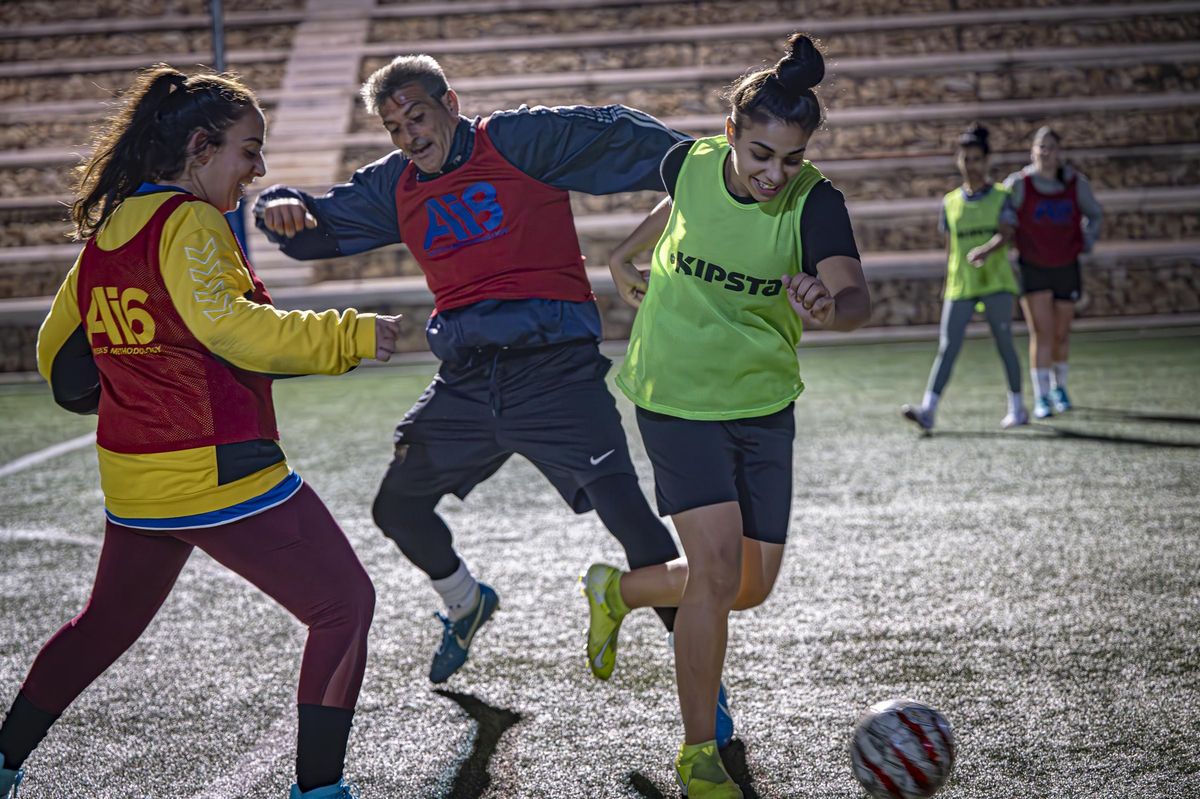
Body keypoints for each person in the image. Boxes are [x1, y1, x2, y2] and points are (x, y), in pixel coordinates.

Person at [0, 65, 401, 799]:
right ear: (199, 147)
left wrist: (132, 384)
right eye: (249, 149)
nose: (259, 168)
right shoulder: (191, 222)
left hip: (136, 477)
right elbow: (229, 328)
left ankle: (2, 761)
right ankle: (321, 790)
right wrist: (349, 334)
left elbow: (57, 357)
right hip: (217, 468)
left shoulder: (109, 230)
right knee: (344, 605)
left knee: (102, 628)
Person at [253, 55, 690, 693]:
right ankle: (465, 602)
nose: (410, 137)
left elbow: (621, 134)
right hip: (465, 381)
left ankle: (708, 692)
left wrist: (714, 162)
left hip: (555, 375)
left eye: (418, 116)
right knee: (397, 509)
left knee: (631, 519)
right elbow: (316, 223)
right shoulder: (394, 184)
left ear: (450, 103)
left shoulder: (517, 141)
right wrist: (277, 205)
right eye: (394, 128)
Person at [586, 34, 870, 798]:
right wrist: (622, 255)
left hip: (762, 401)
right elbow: (679, 203)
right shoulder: (693, 161)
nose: (774, 173)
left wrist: (829, 304)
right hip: (674, 392)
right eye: (759, 154)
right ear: (730, 138)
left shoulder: (816, 202)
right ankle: (698, 752)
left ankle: (618, 589)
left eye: (790, 157)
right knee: (713, 572)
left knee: (748, 585)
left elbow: (854, 294)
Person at [901, 122, 1027, 431]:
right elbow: (950, 247)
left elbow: (1008, 234)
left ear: (986, 161)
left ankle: (1018, 407)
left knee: (1004, 343)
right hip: (961, 284)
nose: (970, 165)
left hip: (995, 281)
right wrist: (948, 281)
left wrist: (985, 250)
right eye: (965, 158)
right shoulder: (950, 202)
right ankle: (928, 410)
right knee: (948, 346)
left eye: (976, 158)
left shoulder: (1001, 196)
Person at [1003, 126, 1103, 419]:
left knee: (1061, 333)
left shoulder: (1075, 183)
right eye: (1041, 147)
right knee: (1041, 332)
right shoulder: (1019, 184)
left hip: (1066, 266)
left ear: (1061, 153)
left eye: (1052, 147)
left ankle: (1060, 387)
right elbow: (1004, 213)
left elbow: (1094, 214)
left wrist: (1087, 240)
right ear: (1033, 151)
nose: (1046, 153)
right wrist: (1008, 234)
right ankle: (1041, 395)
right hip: (1033, 267)